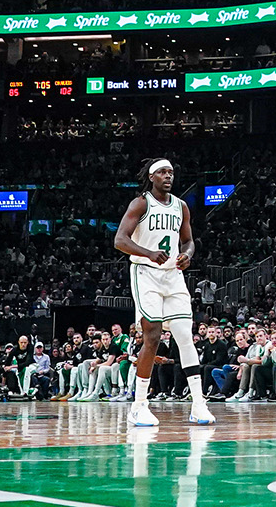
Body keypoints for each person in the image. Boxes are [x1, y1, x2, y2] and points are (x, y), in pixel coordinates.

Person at [114, 160, 213, 426]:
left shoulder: (181, 206)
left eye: (171, 172)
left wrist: (187, 255)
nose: (168, 176)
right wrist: (148, 253)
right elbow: (120, 240)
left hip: (173, 274)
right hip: (146, 273)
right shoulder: (140, 204)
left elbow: (189, 240)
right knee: (153, 336)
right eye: (162, 172)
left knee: (184, 335)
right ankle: (139, 405)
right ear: (151, 176)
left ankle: (199, 404)